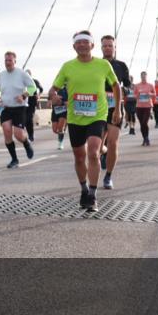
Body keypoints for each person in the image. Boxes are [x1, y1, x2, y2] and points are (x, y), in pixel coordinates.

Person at [49, 30, 121, 211]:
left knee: (94, 152)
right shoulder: (67, 67)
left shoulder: (103, 65)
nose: (82, 45)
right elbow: (53, 89)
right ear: (74, 47)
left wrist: (118, 110)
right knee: (79, 157)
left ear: (92, 45)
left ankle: (93, 194)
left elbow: (115, 86)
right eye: (78, 42)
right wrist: (53, 96)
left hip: (97, 116)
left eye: (85, 42)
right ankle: (83, 188)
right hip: (75, 117)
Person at [98, 35, 131, 189]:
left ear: (115, 47)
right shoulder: (95, 64)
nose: (107, 48)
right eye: (105, 46)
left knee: (113, 143)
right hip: (97, 109)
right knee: (97, 147)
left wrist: (124, 89)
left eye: (110, 45)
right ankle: (103, 152)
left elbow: (129, 86)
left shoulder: (121, 66)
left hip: (114, 108)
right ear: (101, 48)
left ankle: (108, 177)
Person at [0, 51, 36, 169]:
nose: (8, 63)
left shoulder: (22, 74)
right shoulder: (1, 75)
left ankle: (26, 143)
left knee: (18, 135)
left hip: (19, 108)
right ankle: (14, 159)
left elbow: (33, 88)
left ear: (15, 61)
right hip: (6, 108)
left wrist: (23, 95)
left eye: (10, 60)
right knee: (7, 131)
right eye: (6, 60)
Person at [133, 71, 156, 146]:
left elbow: (154, 94)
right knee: (141, 124)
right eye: (142, 76)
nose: (143, 77)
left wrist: (150, 94)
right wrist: (138, 95)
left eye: (144, 76)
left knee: (144, 122)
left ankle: (146, 138)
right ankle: (144, 138)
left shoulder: (150, 85)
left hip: (147, 106)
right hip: (139, 106)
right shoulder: (137, 85)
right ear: (140, 77)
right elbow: (134, 96)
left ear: (146, 76)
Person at [25, 70, 44, 143]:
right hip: (23, 103)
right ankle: (30, 134)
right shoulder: (22, 82)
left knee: (29, 118)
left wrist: (38, 95)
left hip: (32, 102)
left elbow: (41, 89)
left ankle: (31, 136)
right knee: (25, 120)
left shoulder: (34, 81)